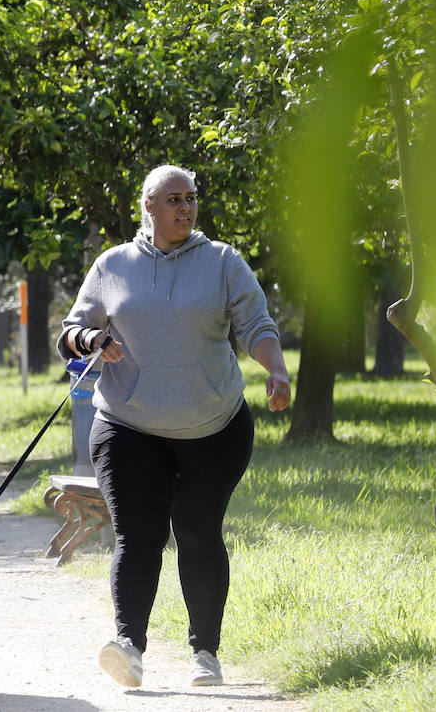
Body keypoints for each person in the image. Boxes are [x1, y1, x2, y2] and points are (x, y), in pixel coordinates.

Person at [58, 165, 290, 691]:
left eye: (190, 198)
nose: (185, 207)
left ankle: (204, 652)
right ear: (148, 206)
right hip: (127, 424)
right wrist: (93, 340)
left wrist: (274, 369)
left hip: (214, 426)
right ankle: (129, 647)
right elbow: (70, 332)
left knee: (197, 531)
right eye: (173, 199)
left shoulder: (223, 263)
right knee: (139, 534)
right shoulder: (112, 265)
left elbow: (256, 324)